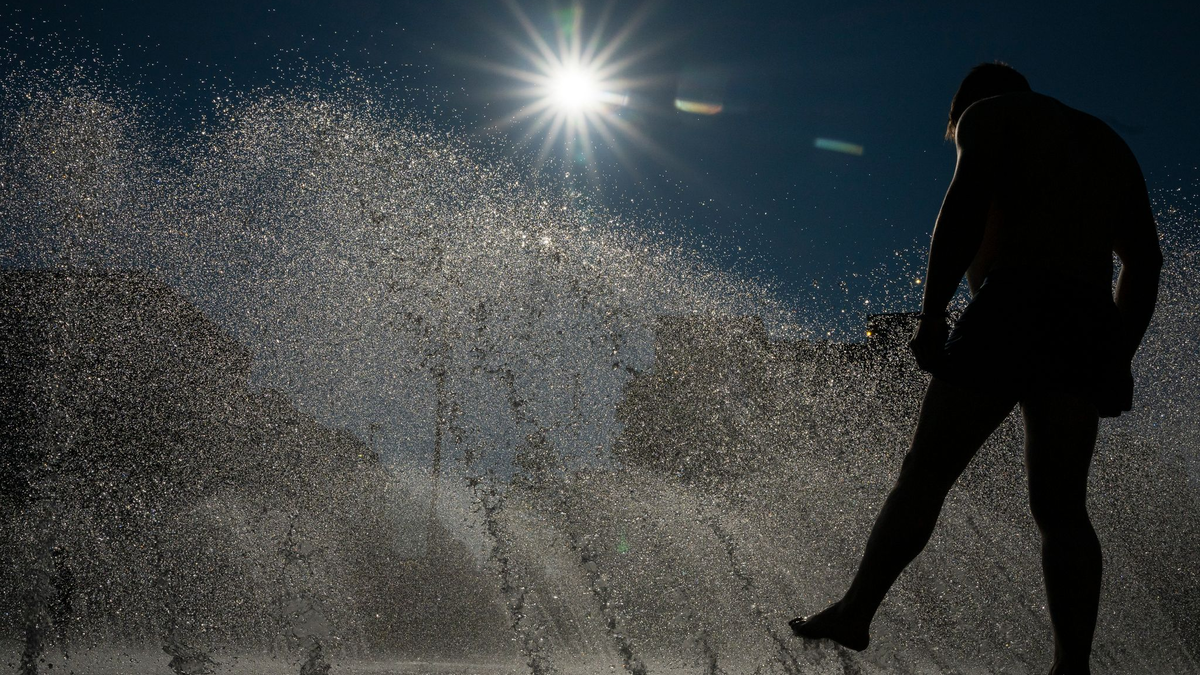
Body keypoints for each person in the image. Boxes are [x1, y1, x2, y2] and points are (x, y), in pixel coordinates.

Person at [789, 62, 1162, 675]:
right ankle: (1073, 666)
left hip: (1014, 306)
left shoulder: (989, 116)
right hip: (1086, 320)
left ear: (966, 105)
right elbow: (1145, 262)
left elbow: (962, 208)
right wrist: (1117, 355)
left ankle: (857, 610)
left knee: (926, 474)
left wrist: (933, 317)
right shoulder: (1106, 141)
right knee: (1062, 506)